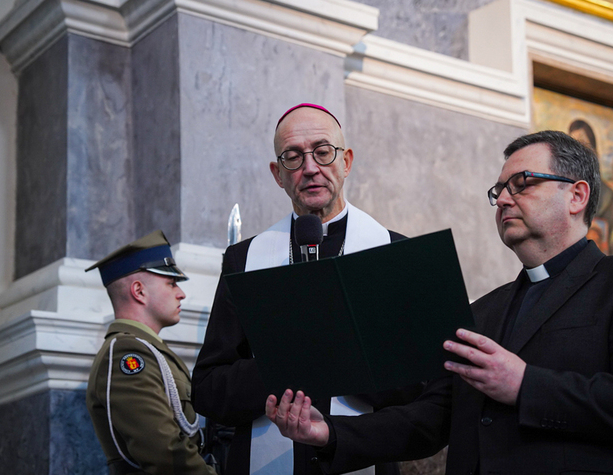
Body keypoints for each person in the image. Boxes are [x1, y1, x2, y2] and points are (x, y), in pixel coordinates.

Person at [266, 130, 613, 475]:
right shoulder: (483, 311)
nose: (504, 199)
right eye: (500, 190)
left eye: (522, 184)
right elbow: (433, 418)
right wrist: (330, 434)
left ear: (577, 196)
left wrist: (527, 386)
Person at [192, 103, 422, 475]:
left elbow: (419, 387)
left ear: (346, 161)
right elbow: (207, 388)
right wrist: (289, 363)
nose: (310, 167)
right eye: (293, 157)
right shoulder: (244, 259)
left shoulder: (394, 253)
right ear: (277, 174)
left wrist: (337, 358)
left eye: (323, 151)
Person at [85, 230, 216, 475]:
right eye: (171, 283)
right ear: (139, 291)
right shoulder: (126, 353)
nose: (181, 293)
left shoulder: (150, 350)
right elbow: (166, 453)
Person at [568, 119, 613, 255]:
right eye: (572, 147)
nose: (577, 154)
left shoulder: (608, 197)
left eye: (583, 145)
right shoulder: (561, 193)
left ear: (594, 152)